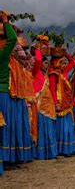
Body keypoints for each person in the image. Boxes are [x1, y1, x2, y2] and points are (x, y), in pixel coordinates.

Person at [0, 12, 34, 165]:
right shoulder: (3, 55)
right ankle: (8, 158)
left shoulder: (13, 60)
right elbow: (13, 39)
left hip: (8, 93)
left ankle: (10, 158)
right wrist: (6, 21)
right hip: (5, 93)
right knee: (8, 127)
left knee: (8, 127)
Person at [49, 52, 75, 156]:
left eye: (64, 63)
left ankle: (69, 149)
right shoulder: (53, 74)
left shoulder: (64, 73)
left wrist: (65, 52)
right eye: (62, 63)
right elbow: (52, 90)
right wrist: (55, 103)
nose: (64, 65)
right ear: (56, 63)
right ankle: (62, 150)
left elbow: (73, 62)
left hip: (67, 105)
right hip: (60, 106)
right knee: (62, 128)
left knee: (68, 129)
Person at [32, 45, 58, 159]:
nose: (46, 65)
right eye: (45, 63)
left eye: (48, 63)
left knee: (49, 129)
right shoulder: (35, 72)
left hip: (48, 106)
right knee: (41, 129)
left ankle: (51, 153)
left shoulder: (47, 76)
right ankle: (41, 154)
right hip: (39, 106)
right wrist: (38, 49)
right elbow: (37, 60)